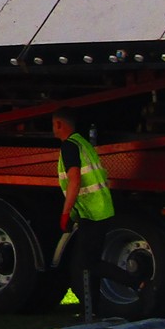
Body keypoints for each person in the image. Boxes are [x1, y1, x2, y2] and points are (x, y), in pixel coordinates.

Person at [52, 109, 116, 313]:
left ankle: (136, 281)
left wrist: (65, 212)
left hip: (93, 212)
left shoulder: (69, 146)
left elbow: (75, 180)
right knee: (89, 262)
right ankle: (93, 310)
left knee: (89, 262)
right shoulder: (83, 143)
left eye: (54, 124)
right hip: (98, 209)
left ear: (60, 125)